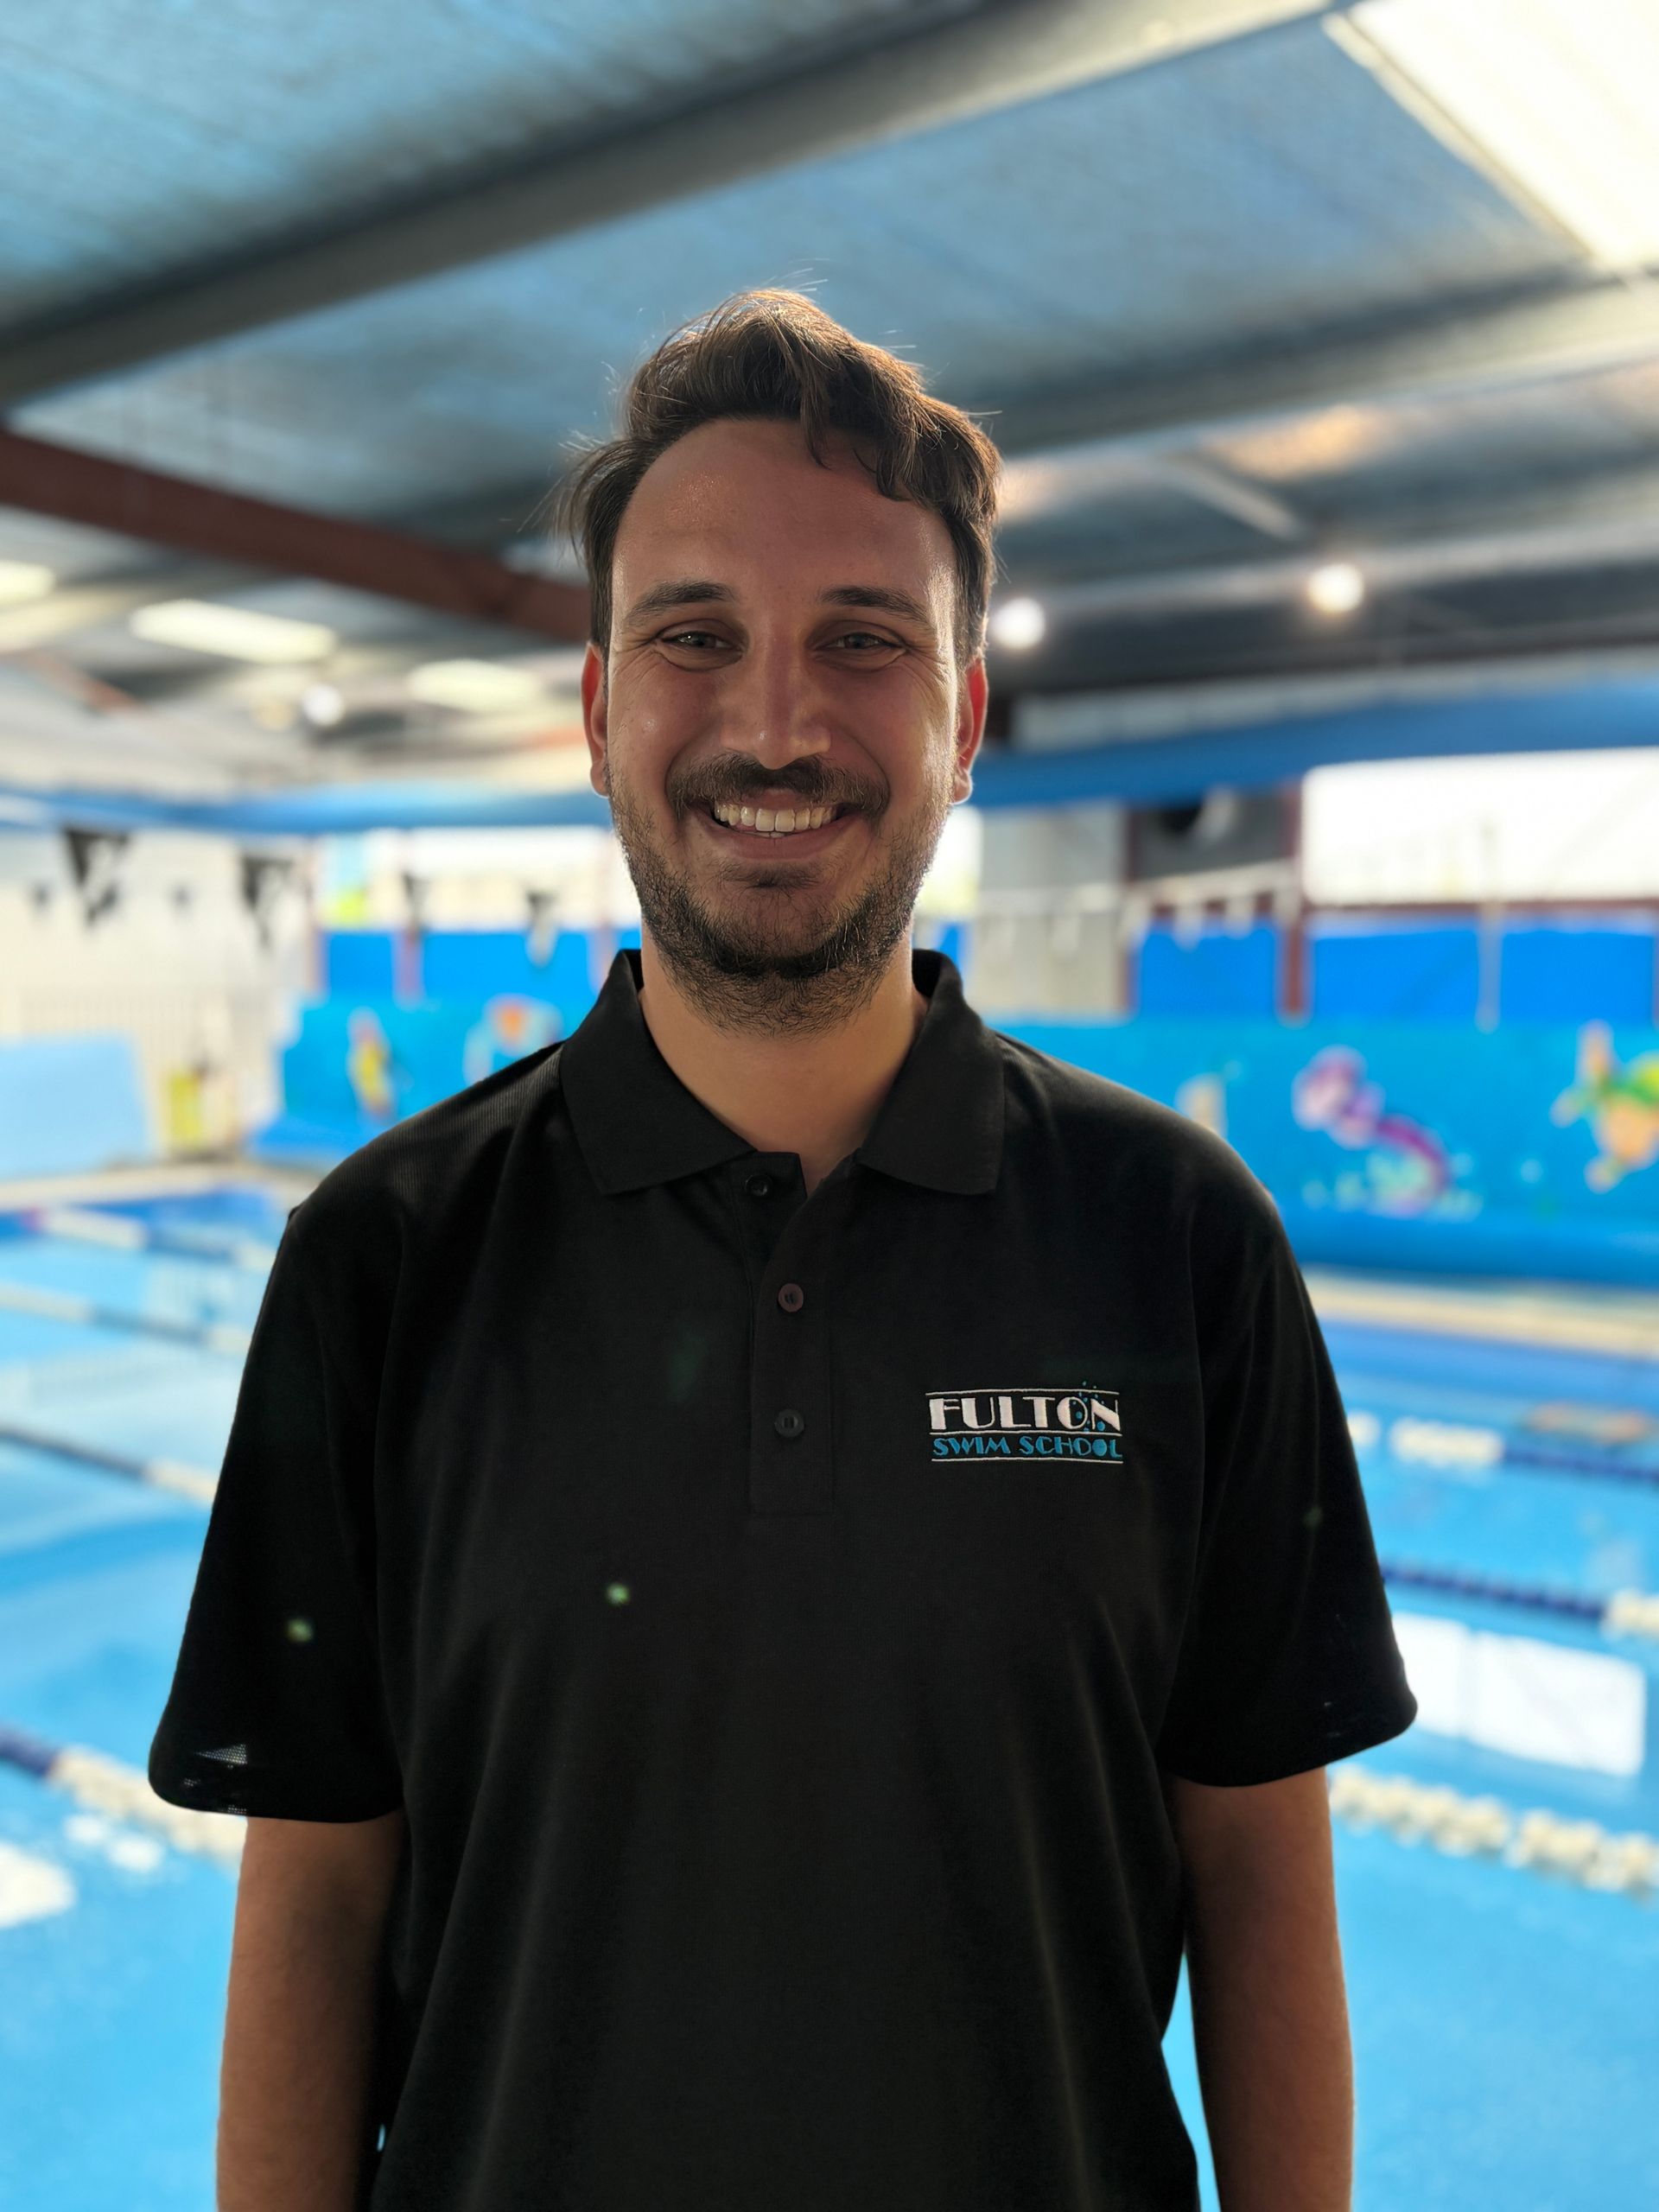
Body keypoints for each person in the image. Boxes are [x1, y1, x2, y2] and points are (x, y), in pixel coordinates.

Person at [149, 288, 1416, 2212]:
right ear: (599, 713)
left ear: (963, 721)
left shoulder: (1180, 1242)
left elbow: (1257, 1875)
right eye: (695, 635)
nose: (774, 721)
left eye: (863, 639)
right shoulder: (381, 1262)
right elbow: (315, 1892)